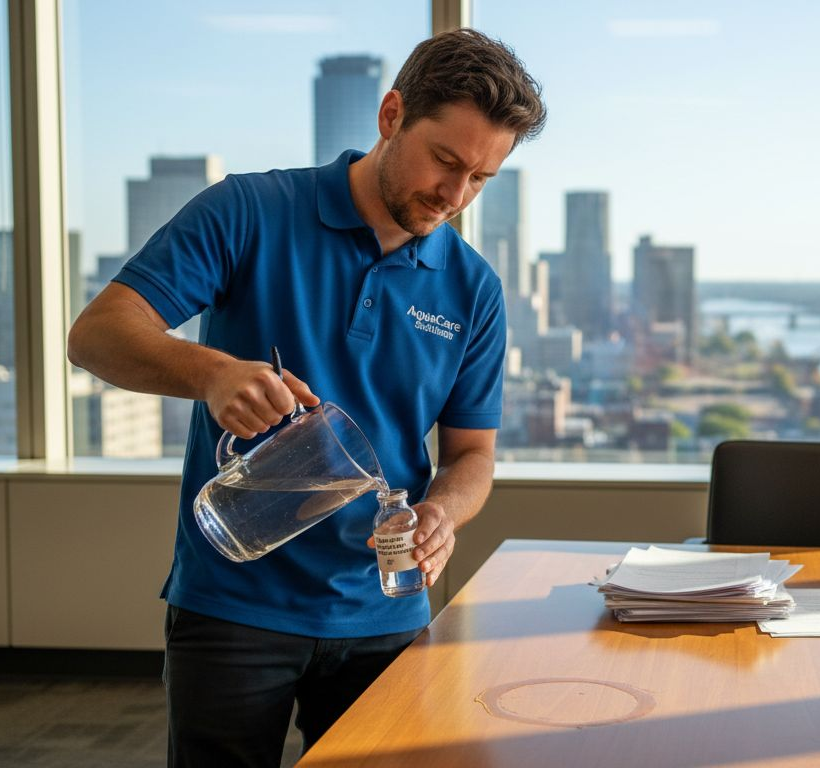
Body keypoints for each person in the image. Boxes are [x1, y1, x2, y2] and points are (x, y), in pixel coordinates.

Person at [67, 29, 545, 767]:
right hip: (232, 604)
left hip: (383, 609)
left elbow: (472, 454)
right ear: (392, 115)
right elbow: (97, 334)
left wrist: (445, 513)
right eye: (446, 161)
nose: (455, 196)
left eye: (481, 179)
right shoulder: (250, 209)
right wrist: (211, 373)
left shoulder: (474, 289)